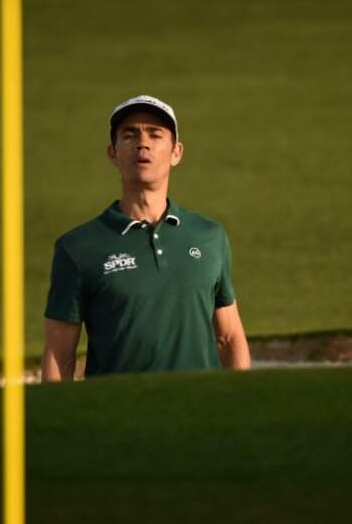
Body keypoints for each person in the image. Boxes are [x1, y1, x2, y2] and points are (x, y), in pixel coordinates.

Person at [41, 95, 251, 381]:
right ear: (112, 152)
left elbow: (228, 337)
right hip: (119, 416)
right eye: (129, 135)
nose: (143, 143)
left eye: (155, 134)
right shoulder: (78, 248)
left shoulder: (209, 236)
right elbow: (59, 355)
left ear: (176, 152)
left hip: (202, 412)